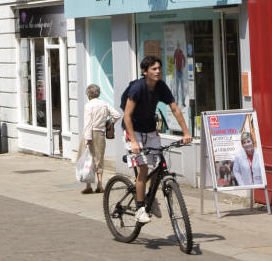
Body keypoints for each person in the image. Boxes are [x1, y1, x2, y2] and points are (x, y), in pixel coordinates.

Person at [123, 56, 193, 224]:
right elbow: (126, 116)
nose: (158, 71)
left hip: (150, 130)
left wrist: (185, 132)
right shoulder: (138, 88)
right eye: (154, 69)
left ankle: (150, 196)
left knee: (160, 165)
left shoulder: (161, 86)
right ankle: (140, 208)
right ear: (145, 72)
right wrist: (133, 142)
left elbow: (175, 109)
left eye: (159, 68)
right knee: (144, 169)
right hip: (133, 131)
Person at [80, 84, 121, 194]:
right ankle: (99, 184)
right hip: (101, 133)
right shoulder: (104, 104)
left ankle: (88, 185)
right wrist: (109, 122)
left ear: (88, 94)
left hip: (90, 132)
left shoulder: (88, 105)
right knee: (99, 158)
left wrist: (87, 139)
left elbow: (88, 123)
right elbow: (117, 115)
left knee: (88, 158)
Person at [172, 41, 187, 107]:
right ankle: (177, 102)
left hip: (181, 71)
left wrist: (183, 66)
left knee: (182, 87)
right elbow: (173, 59)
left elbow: (184, 59)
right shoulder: (175, 52)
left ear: (179, 46)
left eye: (178, 45)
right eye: (177, 45)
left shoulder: (181, 52)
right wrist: (174, 65)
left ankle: (183, 102)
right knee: (177, 87)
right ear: (176, 46)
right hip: (177, 71)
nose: (178, 46)